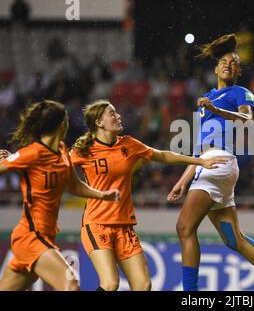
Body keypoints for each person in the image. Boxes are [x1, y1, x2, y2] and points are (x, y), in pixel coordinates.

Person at [167, 34, 254, 291]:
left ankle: (191, 295)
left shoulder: (241, 93)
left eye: (233, 63)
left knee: (184, 227)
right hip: (206, 163)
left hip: (219, 163)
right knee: (235, 240)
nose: (228, 65)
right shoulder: (206, 99)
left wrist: (217, 110)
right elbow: (201, 146)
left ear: (239, 70)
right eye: (224, 61)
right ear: (215, 67)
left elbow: (246, 120)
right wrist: (182, 180)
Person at [70, 99, 225, 291]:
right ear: (99, 123)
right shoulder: (83, 150)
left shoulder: (128, 144)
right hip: (97, 224)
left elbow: (162, 155)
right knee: (110, 284)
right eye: (112, 114)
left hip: (124, 226)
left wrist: (199, 161)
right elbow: (60, 170)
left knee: (143, 286)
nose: (118, 116)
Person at [0, 100, 119, 291]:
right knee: (70, 284)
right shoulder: (33, 153)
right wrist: (7, 159)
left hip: (46, 236)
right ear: (61, 124)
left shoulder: (63, 150)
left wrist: (102, 195)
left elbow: (74, 186)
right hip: (31, 237)